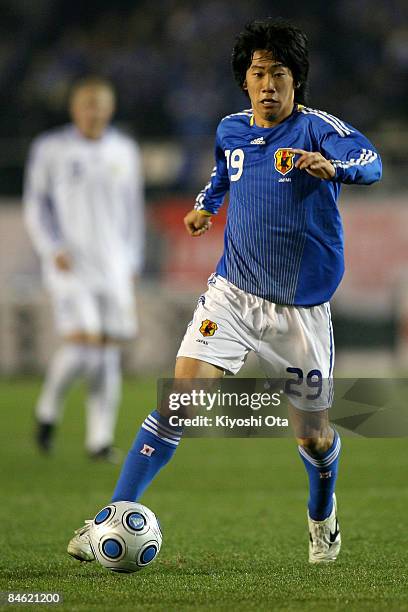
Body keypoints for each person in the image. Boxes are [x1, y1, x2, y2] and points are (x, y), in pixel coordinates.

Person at [67, 19, 381, 563]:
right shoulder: (231, 129)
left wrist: (335, 168)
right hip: (232, 295)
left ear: (295, 81)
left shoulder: (316, 130)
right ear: (245, 80)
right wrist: (204, 207)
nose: (268, 85)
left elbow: (369, 160)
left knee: (313, 437)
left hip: (300, 313)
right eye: (258, 73)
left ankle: (322, 517)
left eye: (279, 74)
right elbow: (223, 173)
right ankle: (107, 522)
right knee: (179, 403)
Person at [24, 77, 144, 461]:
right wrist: (50, 247)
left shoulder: (124, 150)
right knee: (85, 343)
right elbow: (35, 204)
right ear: (75, 108)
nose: (95, 111)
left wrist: (132, 260)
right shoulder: (51, 148)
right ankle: (47, 411)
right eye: (88, 104)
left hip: (113, 264)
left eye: (101, 104)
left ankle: (99, 441)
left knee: (107, 352)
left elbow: (133, 210)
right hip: (70, 263)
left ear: (110, 109)